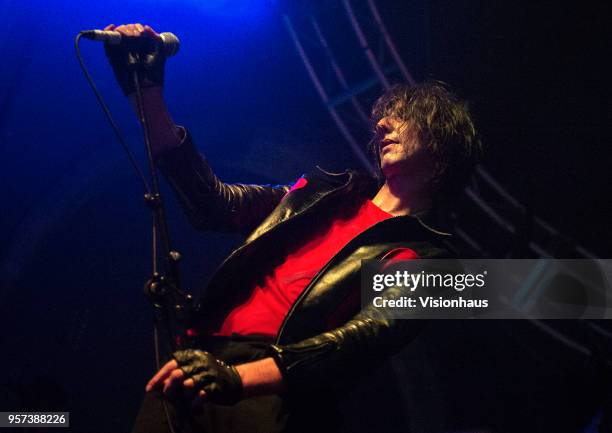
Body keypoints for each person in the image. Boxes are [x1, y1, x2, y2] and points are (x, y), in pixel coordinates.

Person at [103, 23, 480, 433]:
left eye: (405, 117)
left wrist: (238, 379)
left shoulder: (434, 260)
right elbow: (214, 205)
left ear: (443, 142)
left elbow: (361, 341)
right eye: (384, 117)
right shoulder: (324, 195)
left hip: (268, 395)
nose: (384, 124)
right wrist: (147, 91)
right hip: (194, 364)